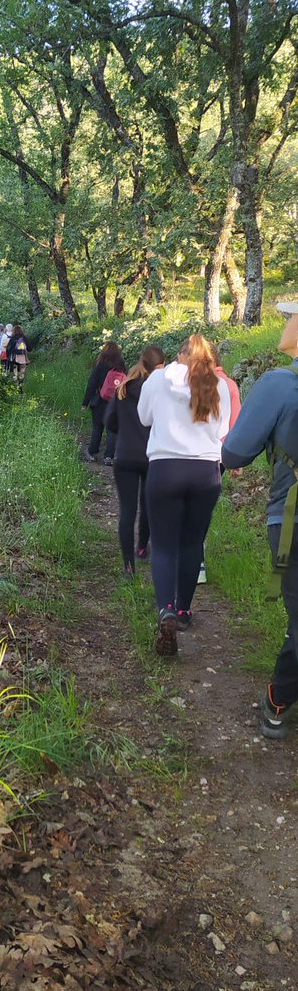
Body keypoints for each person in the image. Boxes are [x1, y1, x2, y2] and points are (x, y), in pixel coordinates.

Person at [222, 310, 298, 739]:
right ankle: (279, 695)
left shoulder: (279, 384)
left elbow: (234, 454)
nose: (283, 324)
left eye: (290, 318)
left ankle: (279, 696)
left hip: (291, 519)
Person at [138, 334, 231, 655]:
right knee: (192, 544)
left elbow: (143, 418)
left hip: (165, 468)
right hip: (206, 471)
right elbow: (222, 433)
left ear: (179, 356)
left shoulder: (158, 380)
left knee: (163, 546)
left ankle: (165, 609)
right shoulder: (218, 386)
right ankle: (184, 612)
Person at [106, 345, 165, 576]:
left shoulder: (123, 388)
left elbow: (110, 422)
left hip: (125, 455)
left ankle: (128, 566)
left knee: (127, 511)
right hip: (152, 455)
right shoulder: (160, 392)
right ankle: (142, 548)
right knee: (148, 505)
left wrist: (125, 430)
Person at [197, 344, 242, 583]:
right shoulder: (230, 385)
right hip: (219, 456)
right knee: (203, 508)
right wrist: (236, 460)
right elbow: (236, 423)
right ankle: (198, 562)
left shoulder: (190, 382)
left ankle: (187, 557)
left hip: (191, 454)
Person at [81, 342, 127, 463]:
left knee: (97, 428)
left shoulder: (100, 364)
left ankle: (92, 451)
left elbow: (92, 384)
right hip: (115, 402)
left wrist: (85, 402)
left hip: (98, 401)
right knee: (112, 429)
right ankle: (109, 456)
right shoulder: (121, 365)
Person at [7, 324, 31, 391]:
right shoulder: (24, 338)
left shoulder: (13, 338)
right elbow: (30, 348)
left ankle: (15, 388)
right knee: (22, 374)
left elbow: (8, 349)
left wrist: (8, 357)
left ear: (14, 331)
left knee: (15, 374)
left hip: (14, 359)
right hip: (23, 359)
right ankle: (21, 388)